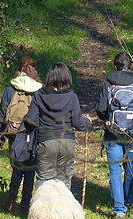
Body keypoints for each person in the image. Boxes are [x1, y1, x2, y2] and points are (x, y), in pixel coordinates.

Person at [96, 51, 133, 218]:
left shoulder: (109, 83)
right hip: (132, 132)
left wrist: (106, 119)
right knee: (130, 166)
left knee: (115, 169)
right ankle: (129, 200)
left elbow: (100, 109)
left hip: (112, 132)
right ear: (131, 66)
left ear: (115, 67)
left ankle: (119, 209)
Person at [24, 62, 91, 191]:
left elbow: (31, 121)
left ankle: (42, 210)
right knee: (64, 183)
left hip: (45, 142)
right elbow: (78, 124)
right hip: (67, 142)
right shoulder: (72, 97)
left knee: (43, 181)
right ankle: (62, 210)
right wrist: (87, 122)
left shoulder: (39, 96)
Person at [0, 56, 43, 217]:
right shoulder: (38, 90)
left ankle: (13, 191)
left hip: (13, 133)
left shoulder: (11, 88)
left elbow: (2, 113)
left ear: (19, 69)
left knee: (17, 166)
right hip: (32, 134)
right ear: (34, 70)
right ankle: (25, 206)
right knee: (30, 170)